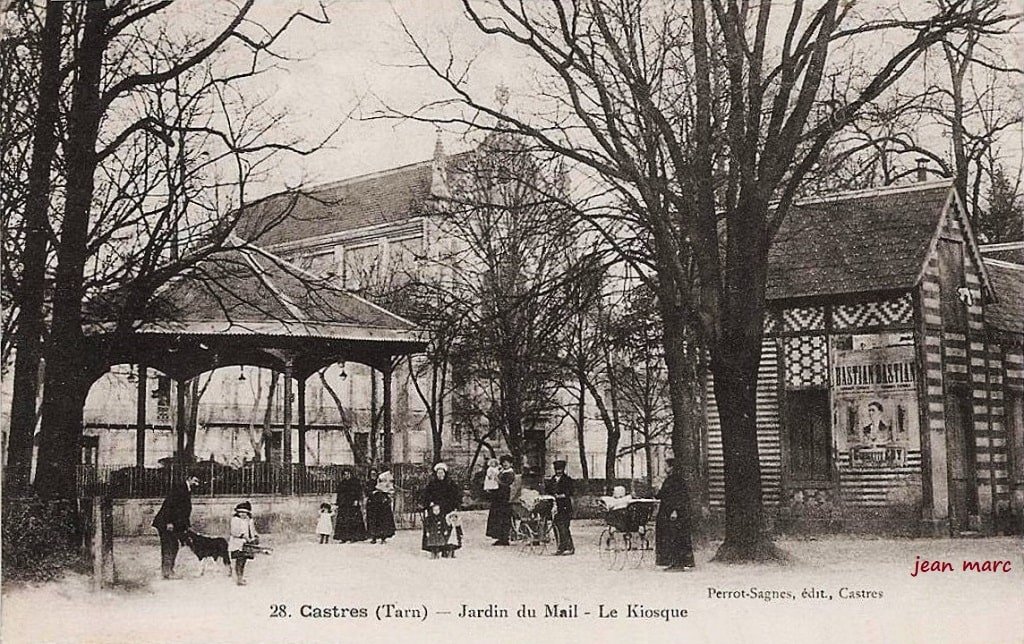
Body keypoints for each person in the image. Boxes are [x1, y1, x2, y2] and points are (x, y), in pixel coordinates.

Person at [152, 474, 199, 579]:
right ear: (189, 478)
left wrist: (186, 526)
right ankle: (167, 572)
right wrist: (168, 522)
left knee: (173, 546)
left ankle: (168, 570)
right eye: (195, 481)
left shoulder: (186, 489)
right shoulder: (180, 489)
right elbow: (169, 505)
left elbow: (183, 510)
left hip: (174, 524)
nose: (197, 484)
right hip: (167, 524)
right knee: (169, 546)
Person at [655, 457, 695, 571]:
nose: (664, 469)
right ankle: (673, 562)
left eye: (666, 466)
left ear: (671, 467)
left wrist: (675, 511)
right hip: (669, 512)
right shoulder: (671, 479)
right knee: (670, 536)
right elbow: (662, 495)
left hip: (674, 513)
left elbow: (679, 497)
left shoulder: (676, 480)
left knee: (674, 536)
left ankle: (678, 563)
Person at [421, 462, 461, 558]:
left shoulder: (450, 484)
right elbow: (427, 495)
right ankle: (435, 548)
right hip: (436, 510)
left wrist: (455, 506)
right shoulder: (432, 484)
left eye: (442, 473)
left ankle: (448, 549)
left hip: (447, 509)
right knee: (435, 528)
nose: (440, 475)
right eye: (438, 473)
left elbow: (456, 496)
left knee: (448, 529)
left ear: (445, 473)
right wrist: (429, 503)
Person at [545, 460, 575, 555]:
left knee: (564, 527)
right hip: (555, 506)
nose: (558, 471)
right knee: (556, 526)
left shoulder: (567, 479)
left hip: (565, 505)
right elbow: (548, 491)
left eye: (560, 469)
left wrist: (563, 495)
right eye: (556, 469)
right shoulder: (552, 480)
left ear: (563, 469)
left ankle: (569, 547)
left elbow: (571, 491)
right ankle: (560, 547)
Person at [485, 455, 516, 545]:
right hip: (498, 497)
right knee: (497, 517)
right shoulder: (501, 471)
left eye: (507, 462)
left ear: (511, 463)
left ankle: (504, 538)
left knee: (504, 517)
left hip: (505, 498)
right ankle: (499, 537)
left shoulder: (510, 473)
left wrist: (498, 481)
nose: (505, 464)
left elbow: (507, 484)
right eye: (504, 462)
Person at [229, 501, 259, 585]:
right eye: (240, 512)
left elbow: (252, 530)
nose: (242, 514)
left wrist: (255, 536)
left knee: (244, 560)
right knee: (239, 560)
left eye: (245, 513)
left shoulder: (249, 520)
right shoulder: (235, 520)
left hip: (247, 544)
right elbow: (234, 531)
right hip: (238, 544)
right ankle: (239, 578)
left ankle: (240, 576)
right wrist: (244, 536)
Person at [333, 468, 367, 542]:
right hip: (344, 505)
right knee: (343, 521)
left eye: (348, 474)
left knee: (353, 520)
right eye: (345, 474)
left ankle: (354, 537)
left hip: (353, 504)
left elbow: (358, 492)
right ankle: (343, 538)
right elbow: (339, 494)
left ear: (350, 474)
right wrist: (338, 503)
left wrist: (357, 500)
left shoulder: (355, 482)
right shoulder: (342, 483)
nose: (346, 476)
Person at [366, 470, 397, 544]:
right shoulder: (369, 483)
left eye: (374, 474)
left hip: (381, 504)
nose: (373, 475)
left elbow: (388, 490)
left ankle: (383, 537)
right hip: (373, 503)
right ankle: (374, 537)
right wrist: (373, 492)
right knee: (373, 521)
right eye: (371, 474)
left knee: (382, 521)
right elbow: (367, 491)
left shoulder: (382, 481)